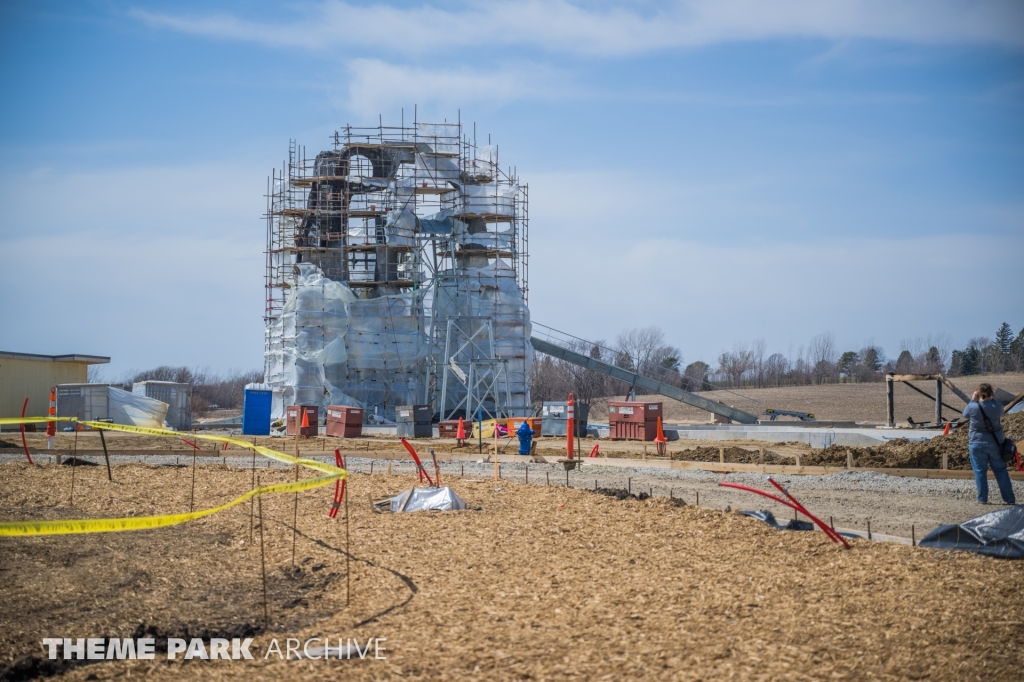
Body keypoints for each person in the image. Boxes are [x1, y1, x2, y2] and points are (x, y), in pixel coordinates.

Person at [961, 383, 1016, 505]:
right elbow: (1001, 412)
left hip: (976, 442)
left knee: (980, 471)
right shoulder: (996, 406)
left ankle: (982, 499)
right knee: (1001, 470)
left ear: (978, 393)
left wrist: (973, 400)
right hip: (995, 443)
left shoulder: (973, 407)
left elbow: (964, 414)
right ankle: (1009, 498)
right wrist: (992, 399)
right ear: (992, 393)